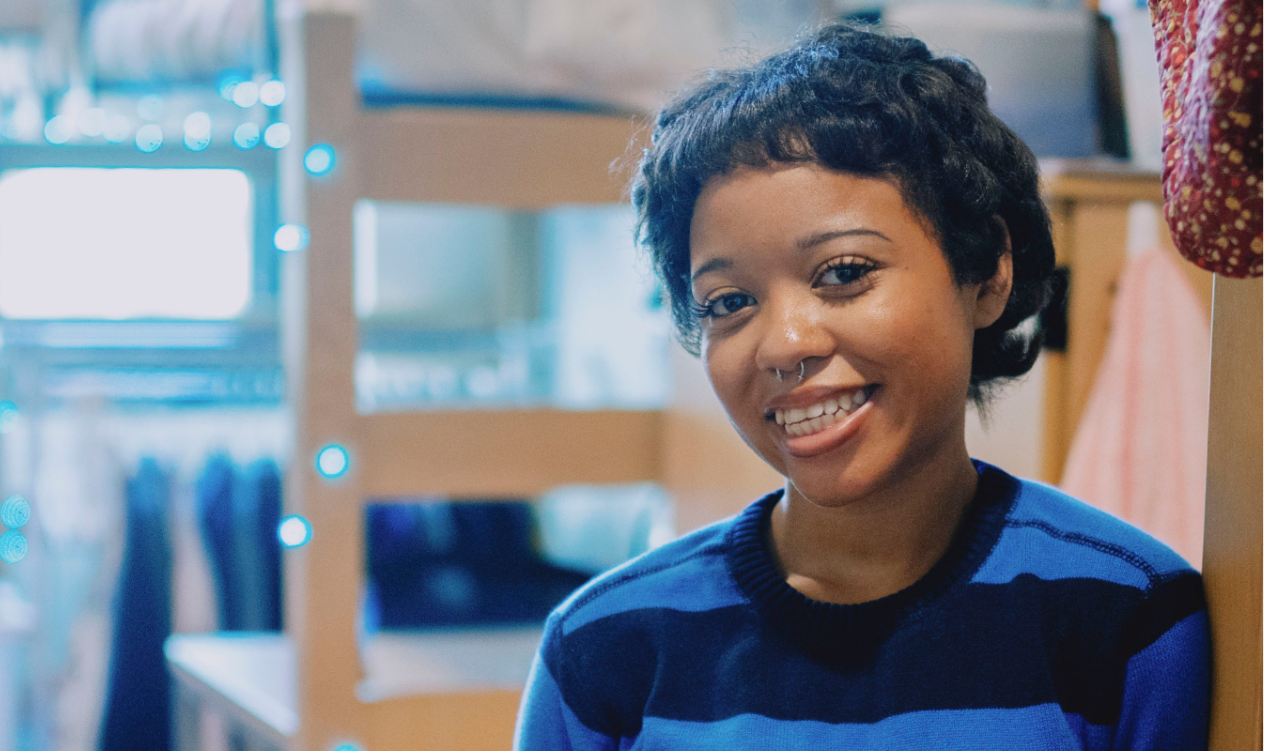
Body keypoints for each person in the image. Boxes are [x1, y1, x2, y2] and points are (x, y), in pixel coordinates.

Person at [515, 24, 1209, 750]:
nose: (784, 343)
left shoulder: (1129, 621)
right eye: (729, 301)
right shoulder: (602, 647)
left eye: (844, 272)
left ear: (987, 271)